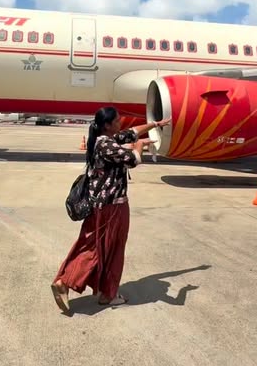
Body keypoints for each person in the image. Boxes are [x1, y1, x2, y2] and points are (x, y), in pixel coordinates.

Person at [51, 107, 171, 313]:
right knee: (112, 250)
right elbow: (133, 159)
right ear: (107, 125)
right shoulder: (106, 145)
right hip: (113, 207)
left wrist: (155, 124)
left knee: (90, 245)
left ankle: (72, 283)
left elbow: (132, 132)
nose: (120, 123)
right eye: (116, 121)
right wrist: (139, 146)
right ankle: (103, 293)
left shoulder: (104, 139)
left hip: (100, 206)